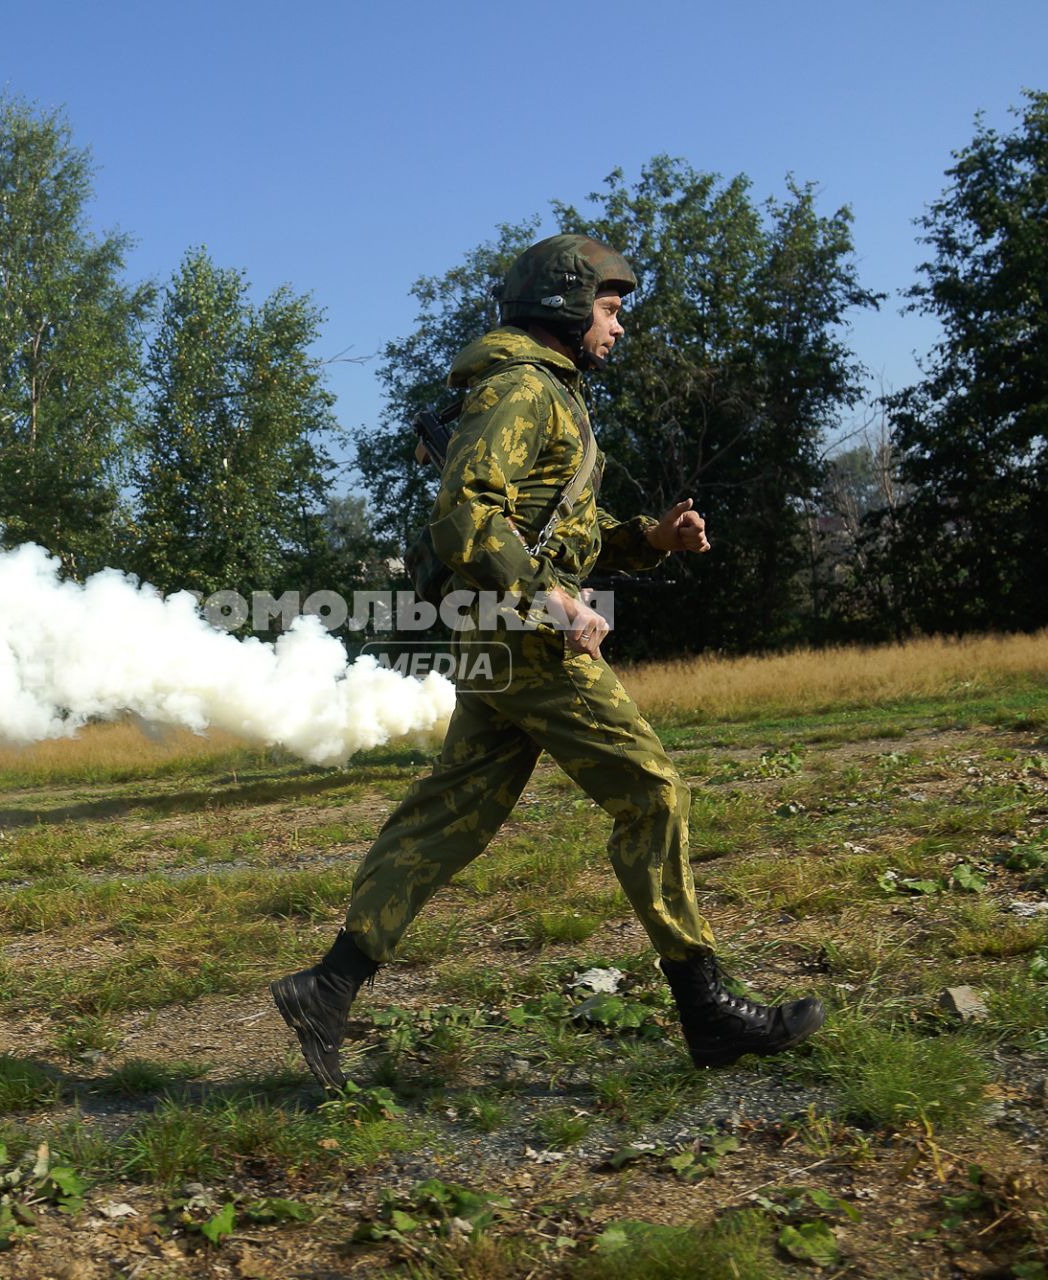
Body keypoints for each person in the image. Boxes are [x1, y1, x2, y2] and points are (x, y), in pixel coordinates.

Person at [271, 235, 824, 1085]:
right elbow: (465, 515)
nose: (619, 327)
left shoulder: (546, 393)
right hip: (523, 635)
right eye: (610, 308)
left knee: (450, 813)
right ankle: (706, 1011)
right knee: (650, 790)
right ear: (567, 303)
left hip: (498, 629)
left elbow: (556, 526)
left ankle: (329, 986)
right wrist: (553, 602)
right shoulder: (522, 388)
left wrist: (649, 539)